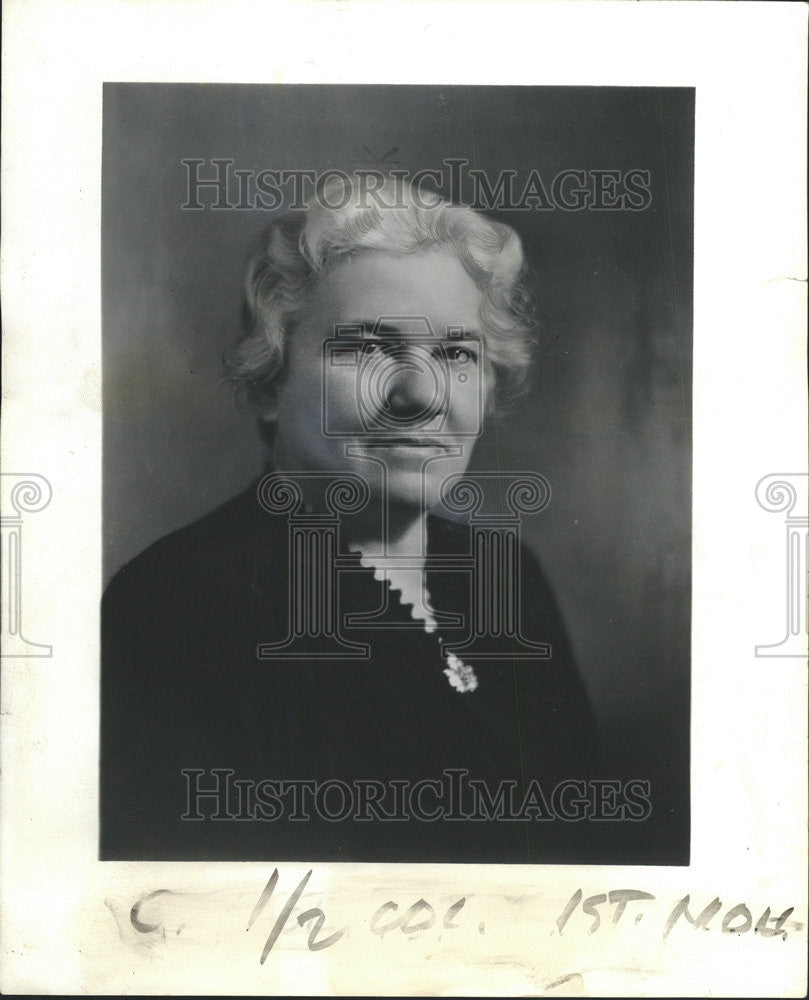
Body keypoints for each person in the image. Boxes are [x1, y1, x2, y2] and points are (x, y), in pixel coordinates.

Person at [101, 175, 598, 863]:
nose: (419, 393)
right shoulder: (179, 607)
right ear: (271, 382)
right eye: (366, 348)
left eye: (456, 353)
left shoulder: (507, 578)